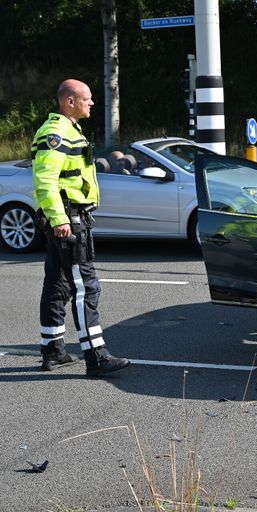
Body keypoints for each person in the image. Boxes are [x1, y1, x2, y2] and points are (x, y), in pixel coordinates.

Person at [31, 79, 130, 376]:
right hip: (68, 220)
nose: (92, 103)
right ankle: (96, 357)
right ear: (69, 101)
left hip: (70, 217)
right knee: (85, 287)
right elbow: (45, 181)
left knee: (58, 285)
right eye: (87, 99)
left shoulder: (70, 130)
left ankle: (53, 350)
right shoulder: (55, 133)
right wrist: (60, 219)